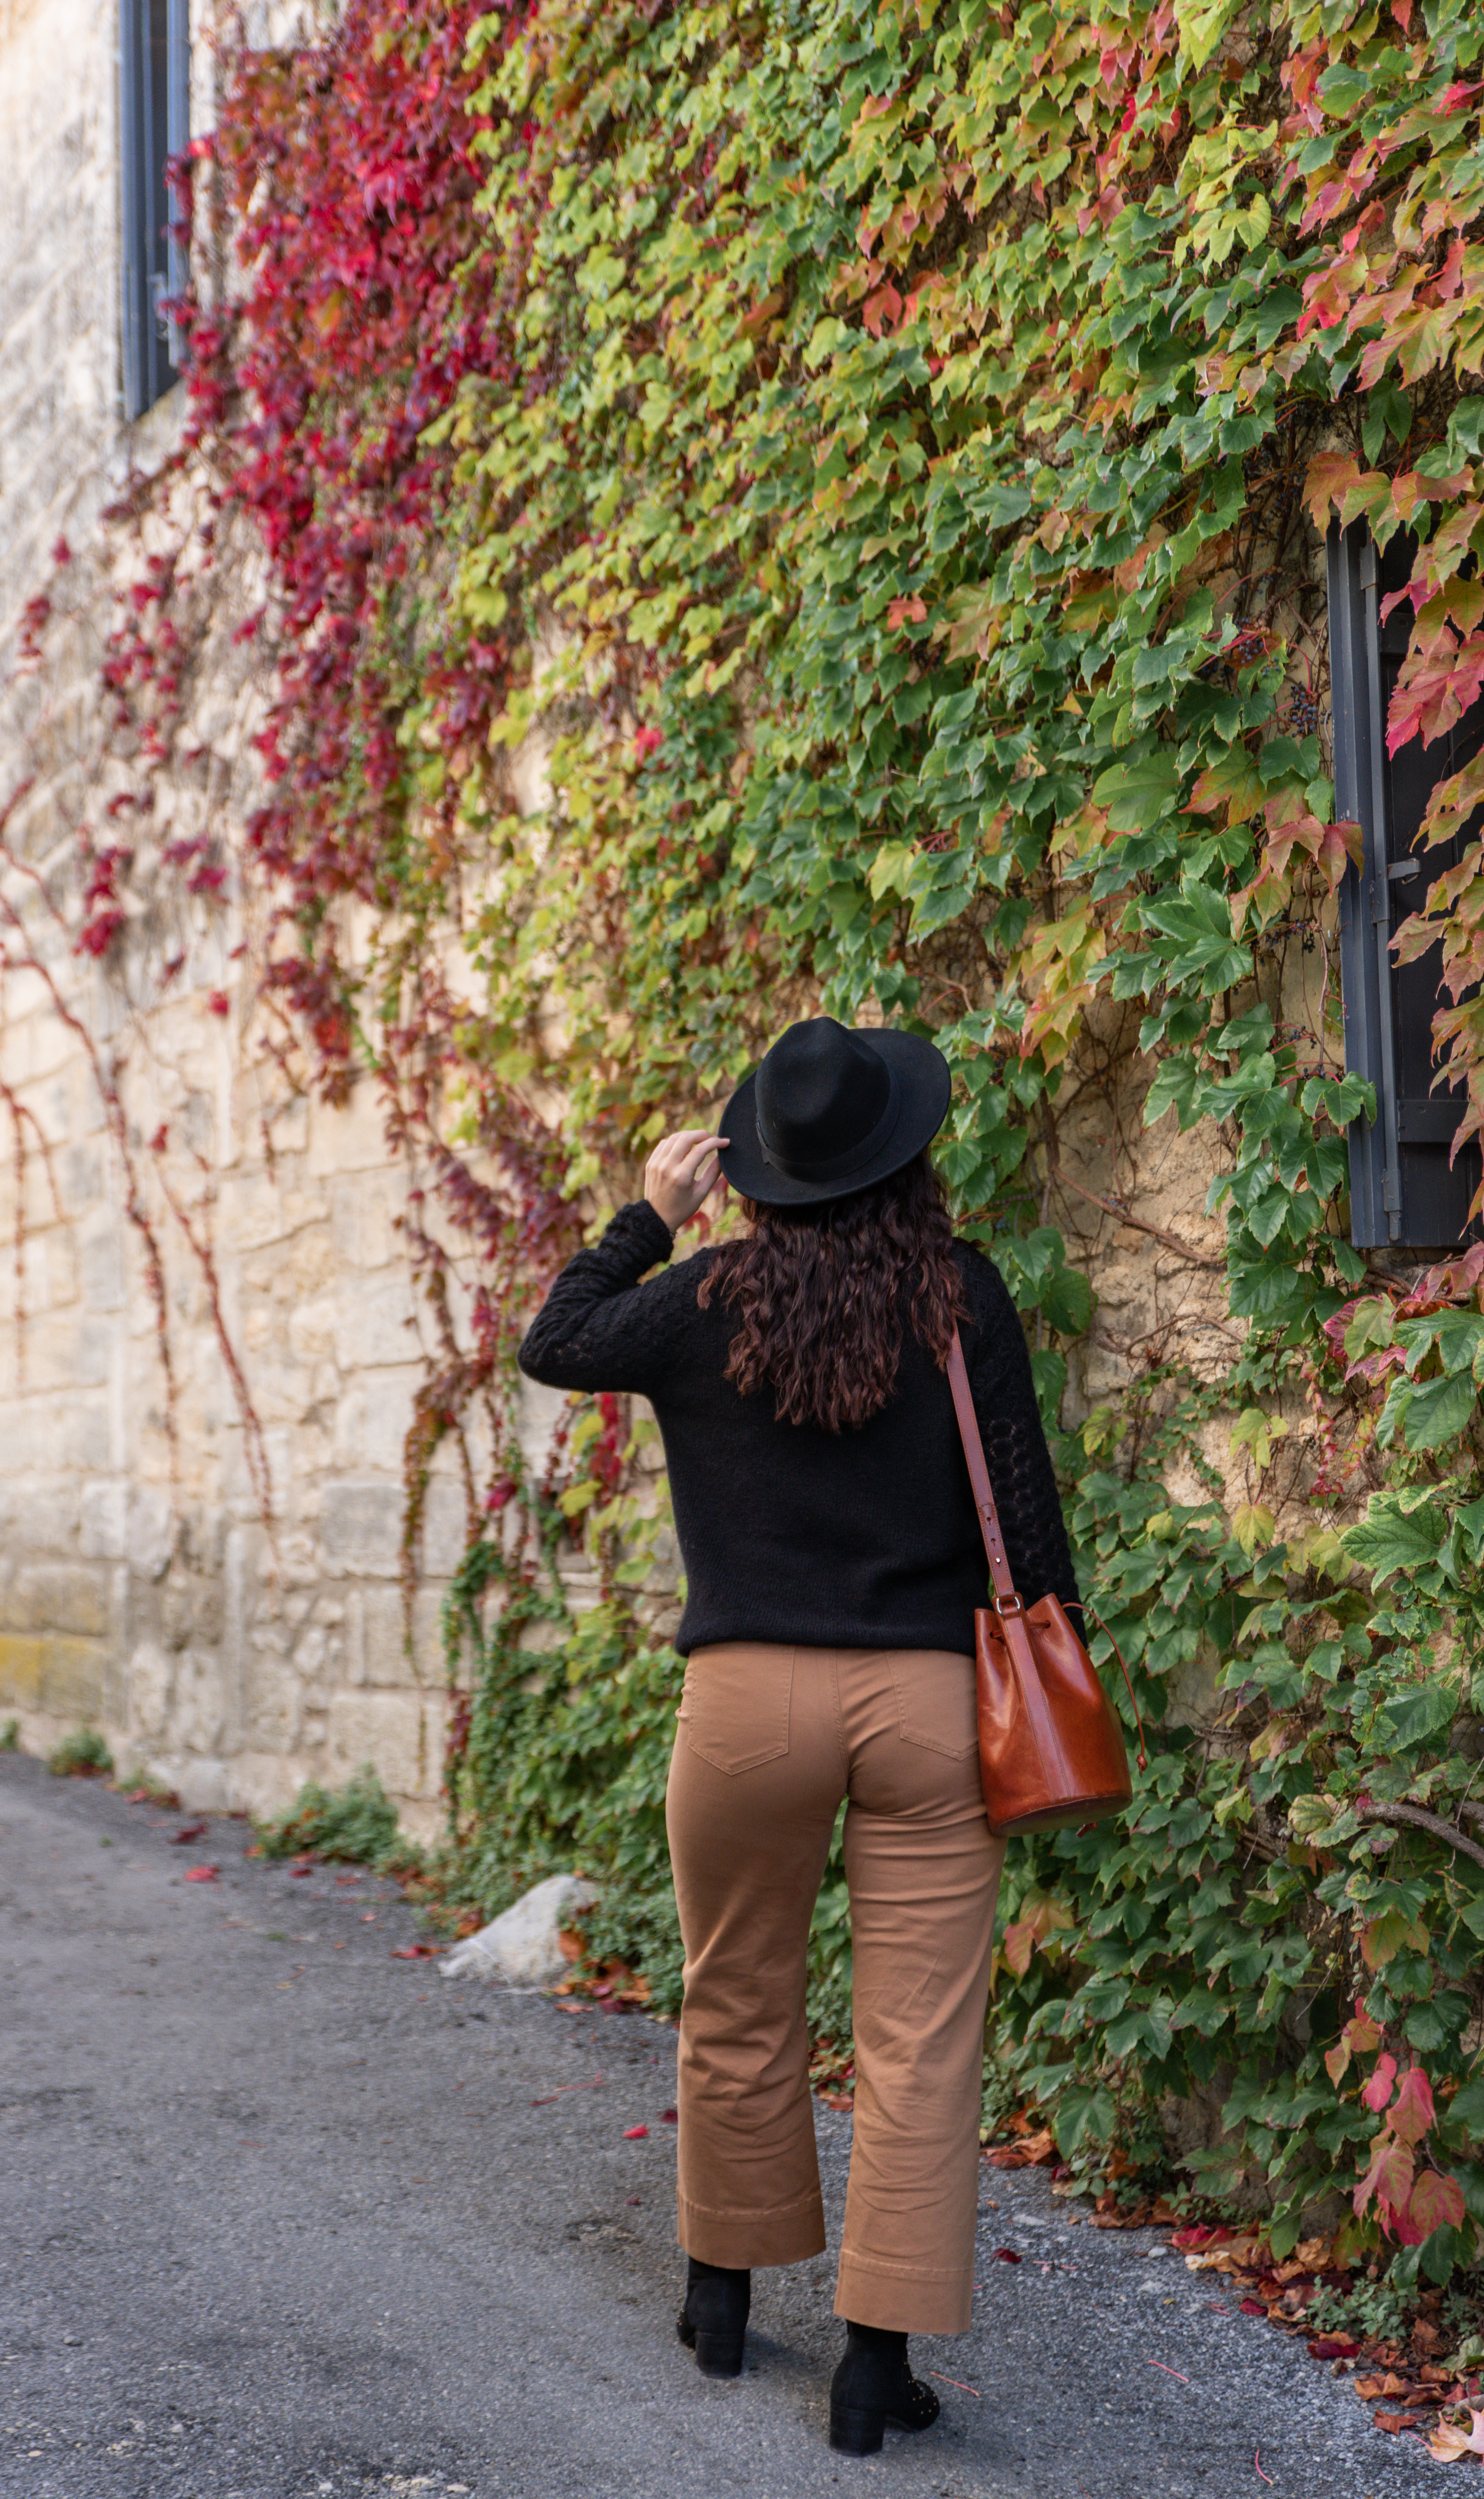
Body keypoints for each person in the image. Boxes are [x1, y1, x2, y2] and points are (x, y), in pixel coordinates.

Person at [517, 1013, 1082, 2456]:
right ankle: (870, 2369)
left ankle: (718, 2300)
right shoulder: (960, 1298)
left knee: (736, 1995)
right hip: (927, 1709)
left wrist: (649, 1215)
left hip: (746, 1706)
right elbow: (1025, 1523)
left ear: (758, 1168)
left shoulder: (698, 1300)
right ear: (903, 1162)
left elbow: (555, 1342)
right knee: (918, 2040)